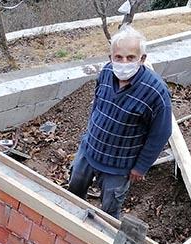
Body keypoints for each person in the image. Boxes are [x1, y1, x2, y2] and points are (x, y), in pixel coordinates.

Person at [67, 25, 172, 219]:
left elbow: (160, 133)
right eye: (118, 57)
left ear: (142, 59)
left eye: (130, 58)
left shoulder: (155, 92)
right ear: (111, 58)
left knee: (109, 210)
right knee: (73, 191)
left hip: (119, 165)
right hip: (90, 150)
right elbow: (97, 104)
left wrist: (141, 167)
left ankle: (101, 241)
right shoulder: (106, 73)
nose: (124, 63)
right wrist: (89, 136)